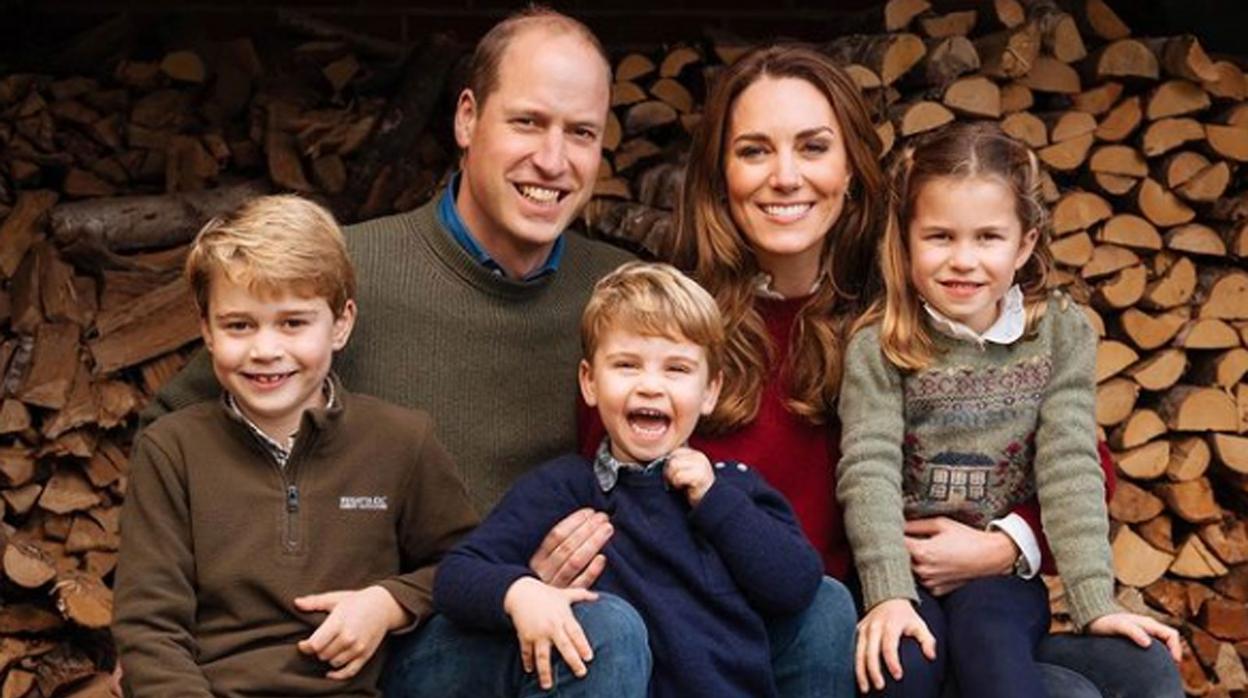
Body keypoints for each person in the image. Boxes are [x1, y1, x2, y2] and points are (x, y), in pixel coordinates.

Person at [143, 10, 852, 696]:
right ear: (466, 119)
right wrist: (184, 642)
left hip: (584, 612)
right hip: (413, 632)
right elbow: (182, 433)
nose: (553, 159)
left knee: (815, 605)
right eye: (528, 122)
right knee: (602, 630)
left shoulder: (617, 294)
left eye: (580, 132)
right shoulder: (348, 278)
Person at [577, 44, 1180, 697]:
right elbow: (609, 475)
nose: (785, 177)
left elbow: (1083, 463)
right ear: (720, 174)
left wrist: (1004, 546)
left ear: (851, 168)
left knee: (1141, 670)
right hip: (797, 637)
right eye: (754, 151)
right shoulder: (670, 326)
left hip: (941, 609)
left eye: (813, 147)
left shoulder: (914, 303)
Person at [837, 122, 1183, 697]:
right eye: (940, 236)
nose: (963, 260)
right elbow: (867, 469)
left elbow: (1071, 465)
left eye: (988, 238)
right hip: (902, 566)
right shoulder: (882, 344)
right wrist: (888, 592)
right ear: (905, 240)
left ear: (1024, 244)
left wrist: (1094, 601)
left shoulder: (1059, 334)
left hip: (997, 577)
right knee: (901, 663)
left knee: (991, 645)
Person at [112, 196, 479, 697]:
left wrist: (389, 601)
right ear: (207, 331)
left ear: (341, 324)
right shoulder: (171, 451)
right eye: (239, 325)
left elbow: (464, 564)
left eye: (293, 323)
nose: (265, 350)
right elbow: (149, 628)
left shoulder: (402, 441)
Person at [436, 261, 823, 697]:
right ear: (590, 382)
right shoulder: (566, 487)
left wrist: (716, 501)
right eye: (627, 365)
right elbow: (457, 574)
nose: (650, 386)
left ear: (710, 391)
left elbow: (797, 586)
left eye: (676, 369)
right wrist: (520, 593)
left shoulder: (732, 488)